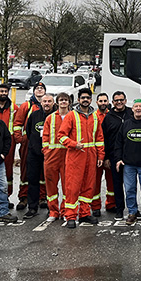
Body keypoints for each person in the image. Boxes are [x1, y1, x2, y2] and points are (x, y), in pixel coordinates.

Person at [57, 88, 104, 228]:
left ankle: (84, 214)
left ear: (91, 99)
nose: (85, 100)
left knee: (88, 186)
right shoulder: (72, 115)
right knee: (73, 187)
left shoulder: (95, 116)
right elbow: (61, 136)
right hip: (75, 156)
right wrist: (73, 144)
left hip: (91, 156)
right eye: (82, 97)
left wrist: (100, 155)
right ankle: (70, 215)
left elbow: (99, 138)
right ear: (78, 100)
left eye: (88, 98)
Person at [115, 99, 141, 226]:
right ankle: (132, 212)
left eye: (140, 106)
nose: (138, 108)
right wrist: (118, 158)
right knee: (130, 190)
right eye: (136, 106)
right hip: (129, 164)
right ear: (132, 109)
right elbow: (119, 143)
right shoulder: (126, 124)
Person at [12, 81, 47, 210]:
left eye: (41, 89)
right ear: (33, 91)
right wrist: (20, 139)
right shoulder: (26, 106)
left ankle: (42, 196)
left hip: (45, 142)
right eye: (37, 88)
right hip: (29, 142)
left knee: (44, 171)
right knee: (26, 170)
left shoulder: (47, 105)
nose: (39, 90)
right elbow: (17, 123)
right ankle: (24, 196)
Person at [101, 91, 134, 220]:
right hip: (115, 156)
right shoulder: (108, 117)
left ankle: (133, 210)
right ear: (112, 102)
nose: (119, 102)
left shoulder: (132, 113)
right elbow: (105, 138)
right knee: (117, 184)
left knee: (131, 185)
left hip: (131, 155)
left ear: (125, 100)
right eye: (116, 100)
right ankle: (119, 209)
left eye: (121, 100)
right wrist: (107, 157)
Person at [22, 94, 55, 219]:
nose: (46, 103)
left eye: (49, 101)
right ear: (41, 102)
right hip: (34, 154)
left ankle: (52, 208)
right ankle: (32, 207)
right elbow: (29, 131)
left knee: (51, 182)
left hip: (51, 155)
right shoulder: (34, 115)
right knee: (33, 180)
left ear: (53, 103)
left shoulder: (56, 116)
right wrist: (36, 147)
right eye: (44, 101)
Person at [0, 83, 18, 210]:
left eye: (6, 91)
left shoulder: (13, 108)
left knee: (7, 172)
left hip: (8, 143)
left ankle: (5, 198)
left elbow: (17, 124)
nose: (4, 93)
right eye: (2, 91)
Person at [42, 92, 71, 221]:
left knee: (67, 185)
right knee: (51, 184)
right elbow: (45, 136)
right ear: (57, 102)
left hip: (68, 155)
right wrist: (46, 151)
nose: (63, 102)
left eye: (65, 100)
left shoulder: (73, 116)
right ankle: (53, 211)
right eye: (61, 100)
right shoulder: (50, 118)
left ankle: (65, 211)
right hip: (52, 156)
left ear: (69, 102)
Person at [91, 92, 114, 218]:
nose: (103, 103)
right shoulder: (93, 116)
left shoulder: (112, 115)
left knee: (112, 182)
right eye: (101, 101)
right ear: (97, 103)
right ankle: (95, 207)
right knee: (95, 182)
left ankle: (111, 204)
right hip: (96, 154)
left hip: (110, 153)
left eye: (105, 101)